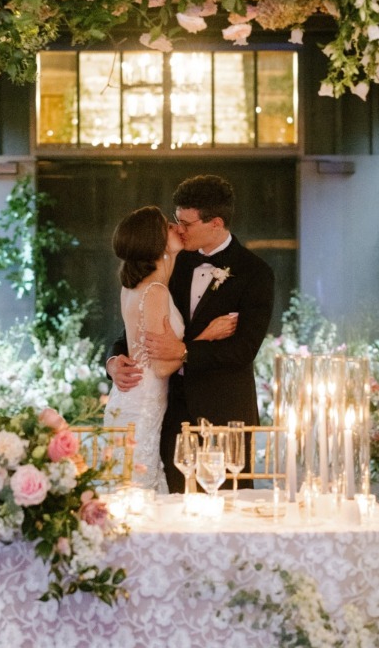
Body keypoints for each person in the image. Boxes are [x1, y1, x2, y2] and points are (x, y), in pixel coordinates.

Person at [107, 176, 275, 492]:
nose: (178, 229)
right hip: (173, 414)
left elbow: (244, 349)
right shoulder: (172, 260)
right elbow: (137, 325)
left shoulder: (255, 273)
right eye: (175, 220)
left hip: (226, 416)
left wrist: (185, 352)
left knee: (229, 513)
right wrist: (112, 359)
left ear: (216, 223)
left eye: (186, 222)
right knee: (171, 508)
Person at [103, 204, 236, 491]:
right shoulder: (155, 291)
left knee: (133, 486)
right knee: (136, 489)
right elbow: (161, 365)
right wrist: (205, 336)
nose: (176, 228)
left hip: (136, 400)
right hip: (142, 405)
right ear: (155, 240)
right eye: (168, 225)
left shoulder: (136, 285)